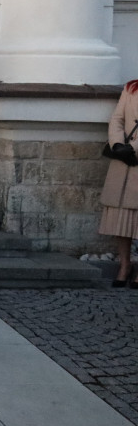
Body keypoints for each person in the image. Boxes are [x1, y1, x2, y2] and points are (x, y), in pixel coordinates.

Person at [98, 79, 138, 287]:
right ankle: (125, 265)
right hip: (123, 162)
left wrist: (134, 148)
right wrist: (118, 144)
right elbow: (117, 119)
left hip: (135, 156)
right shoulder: (131, 88)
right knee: (121, 218)